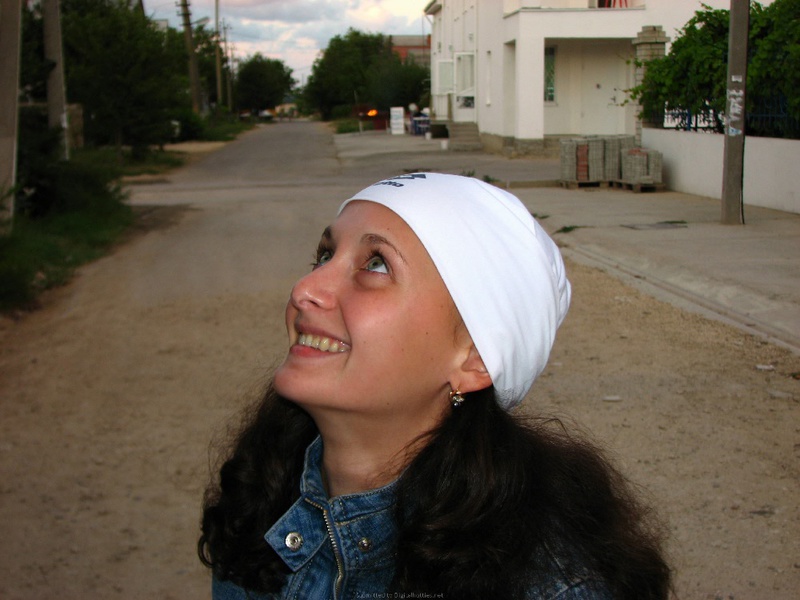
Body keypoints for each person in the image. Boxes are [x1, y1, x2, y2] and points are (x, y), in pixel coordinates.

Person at [198, 173, 671, 600]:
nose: (306, 288)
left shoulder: (549, 586)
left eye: (376, 265)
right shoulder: (259, 502)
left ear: (474, 358)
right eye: (325, 255)